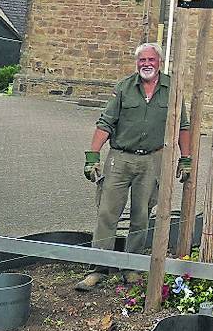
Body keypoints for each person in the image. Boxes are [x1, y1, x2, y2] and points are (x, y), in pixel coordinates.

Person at [76, 42, 191, 291]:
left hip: (153, 159)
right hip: (120, 156)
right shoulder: (124, 88)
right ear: (137, 63)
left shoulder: (172, 89)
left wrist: (186, 158)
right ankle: (99, 267)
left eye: (151, 60)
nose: (146, 64)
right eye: (142, 60)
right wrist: (92, 155)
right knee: (107, 212)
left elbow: (182, 126)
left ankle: (131, 266)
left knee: (141, 215)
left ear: (159, 63)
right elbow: (105, 122)